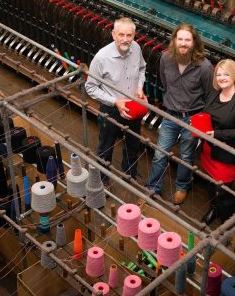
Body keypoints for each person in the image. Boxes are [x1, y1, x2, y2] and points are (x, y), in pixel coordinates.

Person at [145, 23, 212, 204]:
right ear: (174, 40)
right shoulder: (166, 58)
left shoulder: (205, 67)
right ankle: (153, 188)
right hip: (170, 114)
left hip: (192, 117)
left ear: (194, 43)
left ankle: (182, 186)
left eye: (187, 40)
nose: (183, 43)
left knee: (186, 156)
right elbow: (164, 82)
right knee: (160, 153)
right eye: (180, 39)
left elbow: (209, 95)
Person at [85, 17, 146, 183]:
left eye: (129, 35)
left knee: (133, 143)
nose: (125, 39)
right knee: (106, 145)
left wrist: (140, 87)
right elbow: (90, 87)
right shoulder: (101, 58)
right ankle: (102, 179)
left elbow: (142, 69)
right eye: (121, 35)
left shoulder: (136, 48)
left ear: (134, 35)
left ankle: (129, 173)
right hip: (111, 109)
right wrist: (115, 101)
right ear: (113, 34)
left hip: (133, 105)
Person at [201, 59, 235, 224]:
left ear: (234, 76)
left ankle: (227, 221)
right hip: (209, 148)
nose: (221, 78)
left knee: (223, 190)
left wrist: (217, 134)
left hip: (227, 154)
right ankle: (214, 209)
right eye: (218, 74)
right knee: (211, 183)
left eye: (226, 74)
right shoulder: (214, 93)